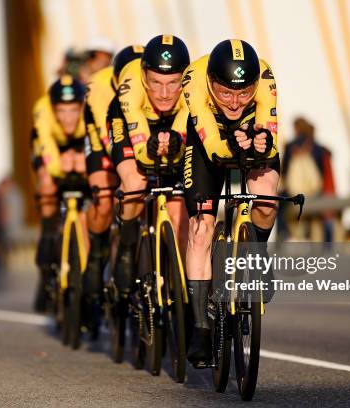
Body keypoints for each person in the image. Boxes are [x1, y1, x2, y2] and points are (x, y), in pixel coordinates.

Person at [182, 39, 280, 367]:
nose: (236, 102)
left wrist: (259, 144)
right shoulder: (194, 77)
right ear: (211, 82)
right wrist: (233, 147)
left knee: (266, 199)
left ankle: (257, 254)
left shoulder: (265, 76)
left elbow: (269, 133)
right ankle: (200, 327)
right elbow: (212, 145)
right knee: (201, 227)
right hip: (207, 139)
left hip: (250, 134)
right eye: (225, 93)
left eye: (244, 93)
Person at [109, 34, 190, 299]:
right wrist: (151, 148)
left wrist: (175, 145)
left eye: (172, 83)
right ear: (144, 78)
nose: (164, 93)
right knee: (135, 182)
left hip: (173, 124)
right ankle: (127, 244)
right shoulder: (131, 88)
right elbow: (142, 154)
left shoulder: (193, 90)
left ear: (184, 79)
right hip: (133, 121)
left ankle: (181, 284)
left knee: (179, 215)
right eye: (156, 83)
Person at [82, 44, 145, 325]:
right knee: (105, 201)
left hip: (140, 135)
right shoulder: (99, 89)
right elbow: (111, 144)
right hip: (103, 140)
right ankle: (97, 256)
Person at [30, 75, 87, 312]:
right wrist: (59, 166)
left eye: (73, 110)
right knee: (47, 181)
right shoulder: (42, 111)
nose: (68, 117)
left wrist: (84, 163)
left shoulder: (91, 111)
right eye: (61, 111)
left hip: (81, 144)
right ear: (53, 109)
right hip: (52, 146)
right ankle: (48, 233)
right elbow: (48, 155)